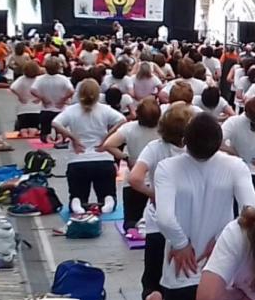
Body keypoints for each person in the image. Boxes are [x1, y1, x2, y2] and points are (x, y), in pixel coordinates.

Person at [154, 113, 255, 300]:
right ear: (219, 144)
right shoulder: (234, 165)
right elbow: (252, 211)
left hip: (181, 267)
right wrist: (224, 239)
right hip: (221, 268)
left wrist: (180, 243)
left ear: (184, 141)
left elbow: (163, 216)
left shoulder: (167, 167)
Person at [128, 104, 193, 300]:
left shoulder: (155, 147)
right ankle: (185, 295)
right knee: (187, 267)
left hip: (157, 219)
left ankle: (154, 296)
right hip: (186, 218)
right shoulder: (194, 150)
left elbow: (135, 178)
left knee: (153, 271)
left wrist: (154, 194)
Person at [51, 80, 126, 214]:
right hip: (103, 159)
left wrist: (73, 137)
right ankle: (108, 201)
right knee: (107, 191)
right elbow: (122, 120)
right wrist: (107, 137)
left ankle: (76, 202)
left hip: (78, 160)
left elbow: (55, 123)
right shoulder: (105, 109)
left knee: (78, 193)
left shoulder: (71, 110)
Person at [100, 98, 161, 232]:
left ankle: (136, 229)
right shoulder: (164, 129)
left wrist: (126, 158)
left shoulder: (129, 128)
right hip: (158, 179)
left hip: (135, 179)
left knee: (131, 221)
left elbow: (108, 145)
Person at [31, 56, 74, 144]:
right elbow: (71, 91)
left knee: (45, 130)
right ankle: (60, 137)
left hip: (46, 108)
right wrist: (63, 99)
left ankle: (47, 137)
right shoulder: (63, 79)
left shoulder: (40, 79)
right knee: (61, 128)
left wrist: (42, 97)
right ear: (58, 67)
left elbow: (32, 90)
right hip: (60, 108)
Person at [10, 59, 42, 138]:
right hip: (36, 109)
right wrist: (40, 98)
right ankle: (33, 131)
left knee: (23, 127)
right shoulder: (39, 79)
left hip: (23, 109)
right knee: (34, 126)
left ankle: (23, 131)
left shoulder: (21, 79)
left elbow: (12, 88)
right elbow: (46, 91)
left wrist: (20, 96)